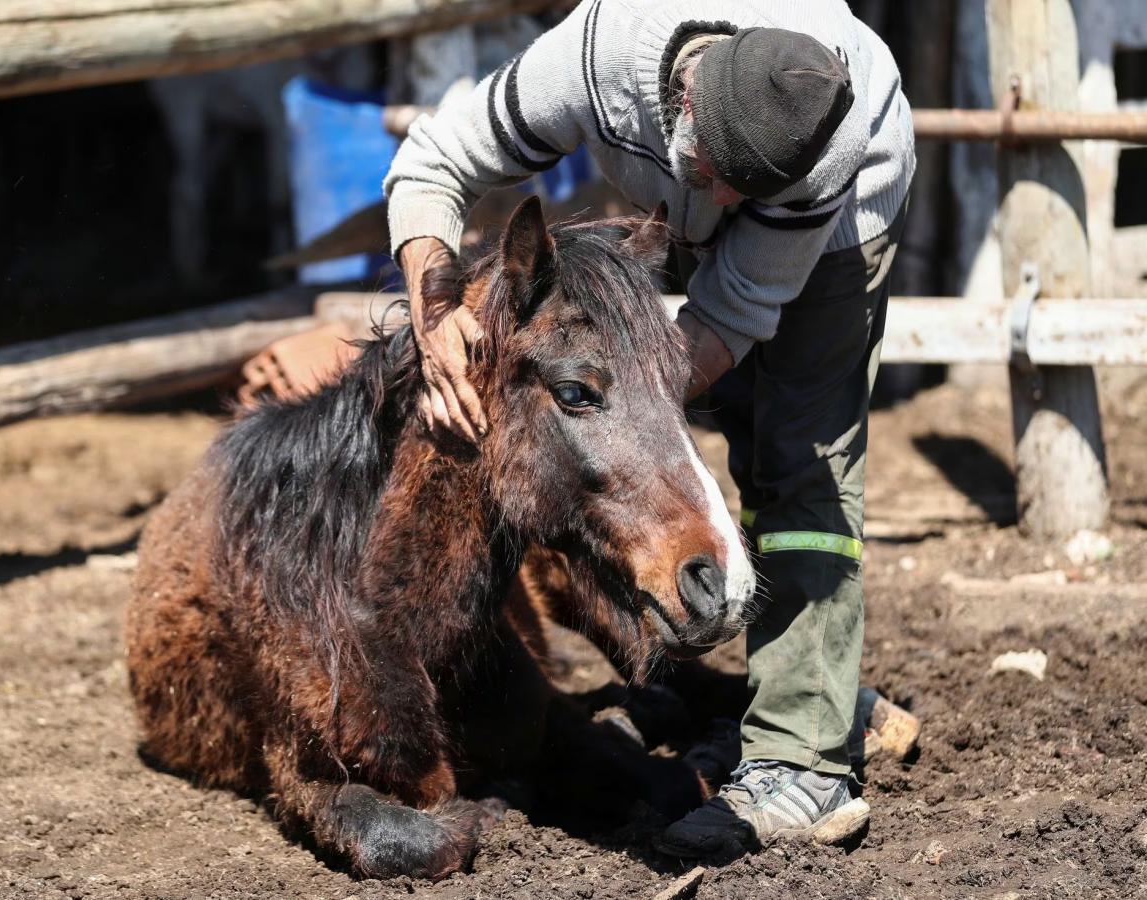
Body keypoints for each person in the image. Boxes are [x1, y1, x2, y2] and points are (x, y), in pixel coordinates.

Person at [253, 0, 915, 858]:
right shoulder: (594, 61)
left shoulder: (821, 163)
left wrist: (623, 429)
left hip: (841, 220)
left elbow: (735, 311)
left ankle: (803, 758)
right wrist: (436, 309)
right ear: (679, 104)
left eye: (739, 194)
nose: (718, 210)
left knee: (796, 458)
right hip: (666, 156)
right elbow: (434, 160)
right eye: (713, 178)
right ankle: (793, 682)